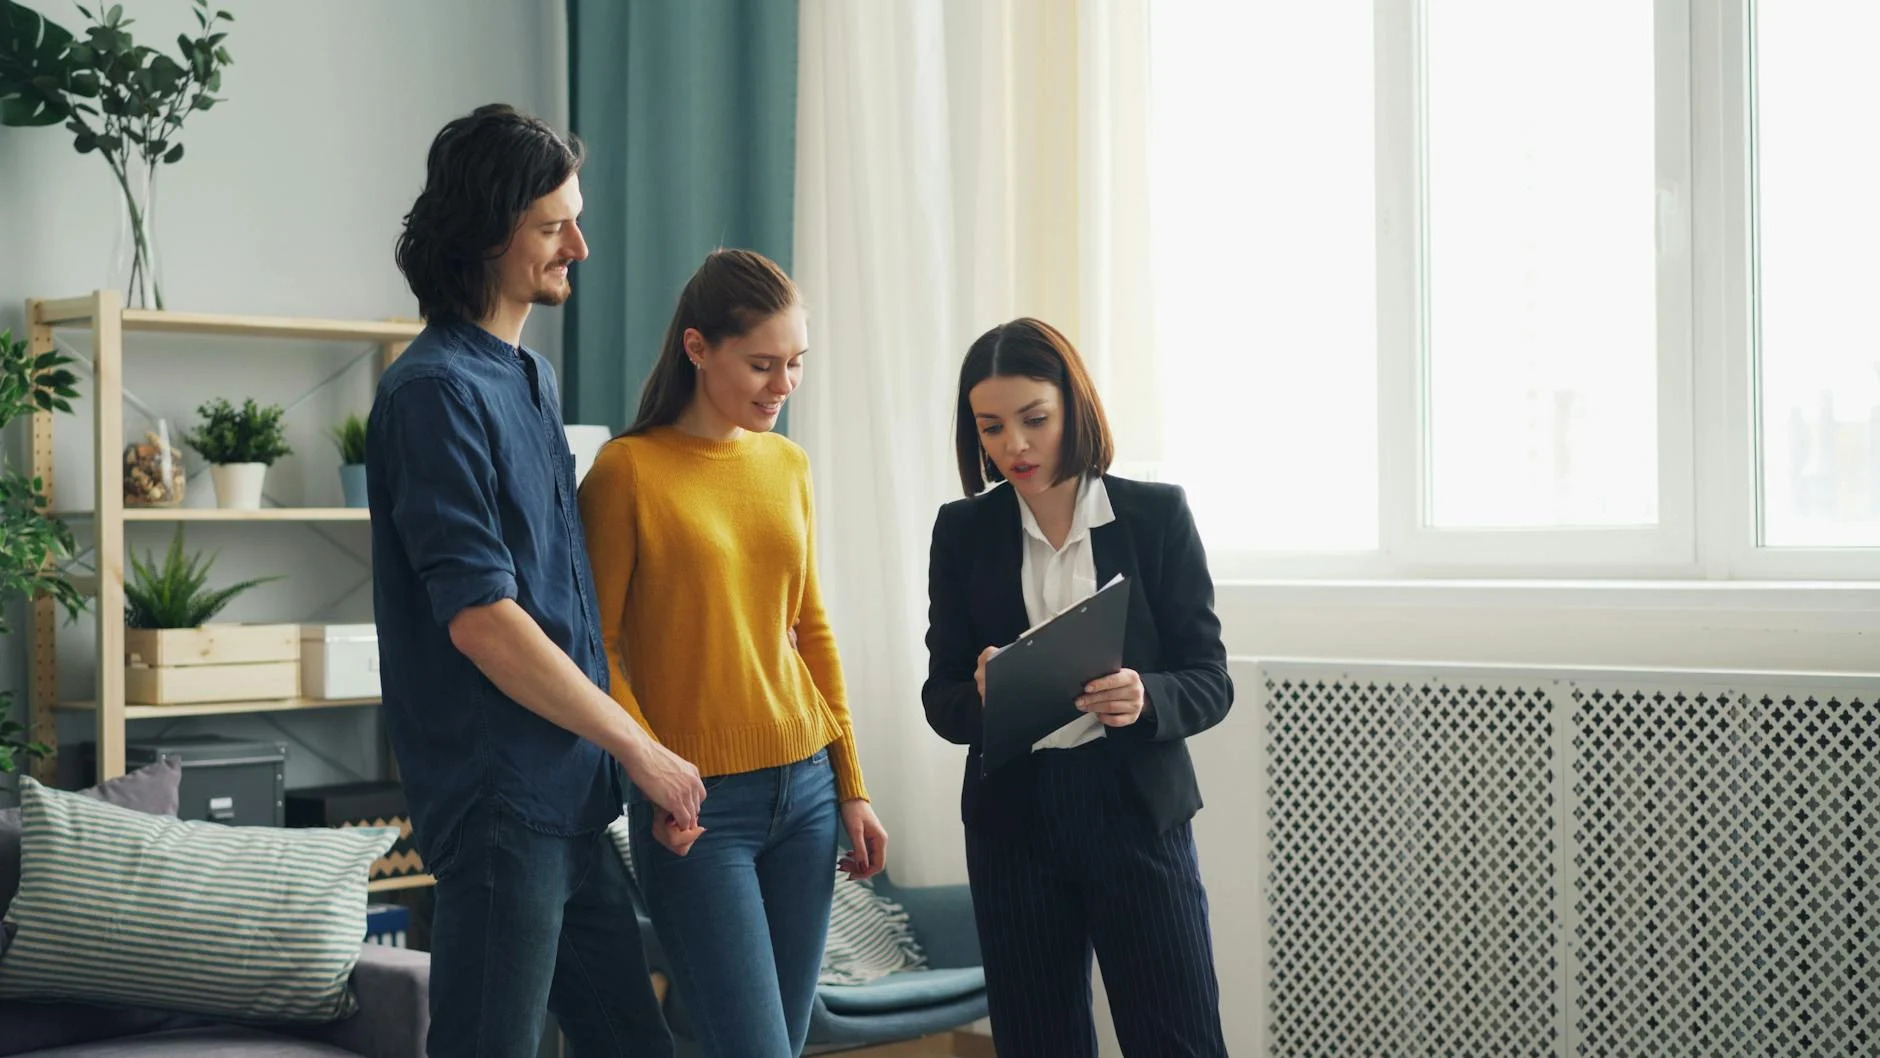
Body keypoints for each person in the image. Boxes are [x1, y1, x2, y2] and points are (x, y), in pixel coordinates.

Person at [370, 103, 703, 1057]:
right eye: (556, 226)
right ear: (489, 232)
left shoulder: (529, 377)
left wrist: (624, 767)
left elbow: (568, 607)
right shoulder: (433, 391)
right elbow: (482, 620)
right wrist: (641, 750)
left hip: (568, 801)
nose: (581, 247)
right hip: (500, 806)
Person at [577, 249, 890, 1058]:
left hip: (808, 790)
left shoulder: (787, 465)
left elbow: (811, 630)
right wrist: (654, 771)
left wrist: (851, 784)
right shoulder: (627, 472)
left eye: (794, 364)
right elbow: (596, 648)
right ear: (696, 348)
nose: (782, 385)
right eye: (761, 364)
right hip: (698, 810)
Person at [922, 317, 1233, 1056]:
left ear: (1074, 406)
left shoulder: (1154, 516)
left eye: (1035, 420)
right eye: (991, 428)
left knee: (1178, 1038)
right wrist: (985, 694)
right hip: (1015, 822)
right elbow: (942, 702)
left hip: (1132, 808)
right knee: (1038, 1042)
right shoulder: (963, 530)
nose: (1014, 447)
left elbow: (1210, 679)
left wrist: (1145, 695)